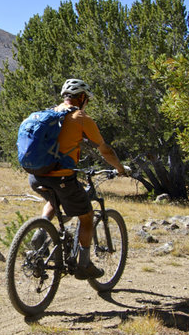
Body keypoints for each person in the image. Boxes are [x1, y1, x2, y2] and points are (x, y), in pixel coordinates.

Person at [29, 78, 129, 280]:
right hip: (61, 177)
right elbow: (105, 150)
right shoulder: (81, 118)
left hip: (36, 175)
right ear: (82, 98)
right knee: (86, 216)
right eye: (87, 99)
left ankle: (41, 229)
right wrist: (119, 168)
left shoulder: (50, 113)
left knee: (53, 199)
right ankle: (84, 264)